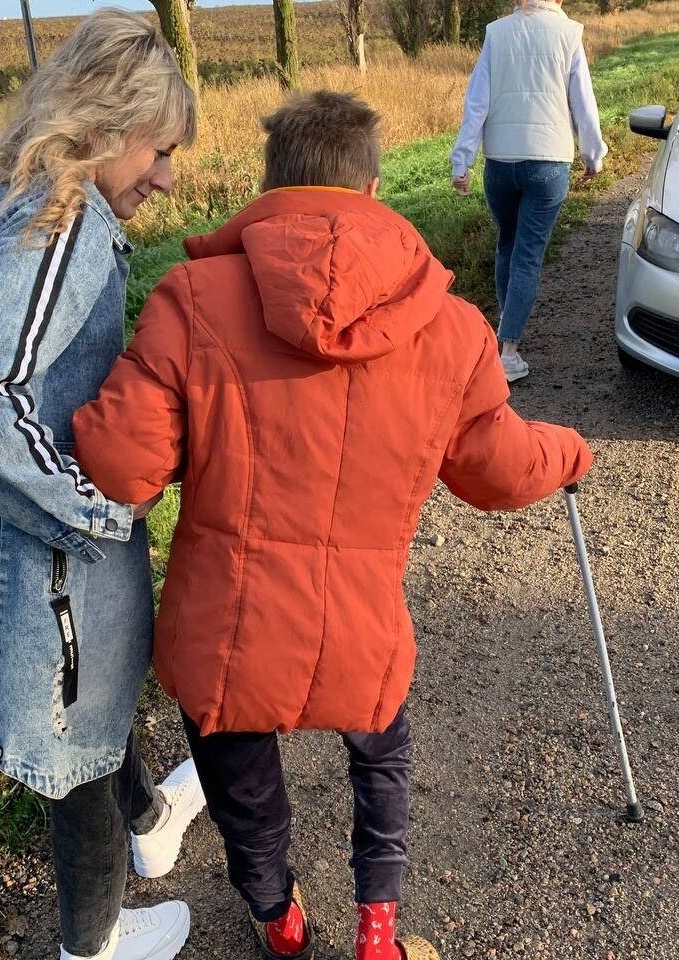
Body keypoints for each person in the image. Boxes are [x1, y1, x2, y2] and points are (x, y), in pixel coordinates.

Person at [73, 91, 593, 960]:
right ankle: (379, 932)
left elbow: (123, 466)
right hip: (362, 626)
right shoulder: (452, 328)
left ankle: (279, 924)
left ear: (273, 183)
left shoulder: (193, 298)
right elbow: (499, 470)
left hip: (226, 632)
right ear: (375, 186)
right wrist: (570, 451)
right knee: (379, 746)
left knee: (238, 771)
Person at [0, 11, 205, 960]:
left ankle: (150, 818)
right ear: (105, 127)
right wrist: (93, 509)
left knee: (91, 719)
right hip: (43, 570)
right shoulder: (61, 224)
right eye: (158, 150)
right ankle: (94, 945)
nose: (164, 175)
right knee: (73, 744)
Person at [451, 0, 608, 382]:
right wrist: (593, 154)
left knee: (507, 243)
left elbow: (477, 102)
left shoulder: (496, 32)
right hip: (548, 161)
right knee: (528, 254)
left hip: (500, 161)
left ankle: (506, 328)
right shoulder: (569, 33)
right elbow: (582, 103)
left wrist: (462, 161)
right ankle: (508, 352)